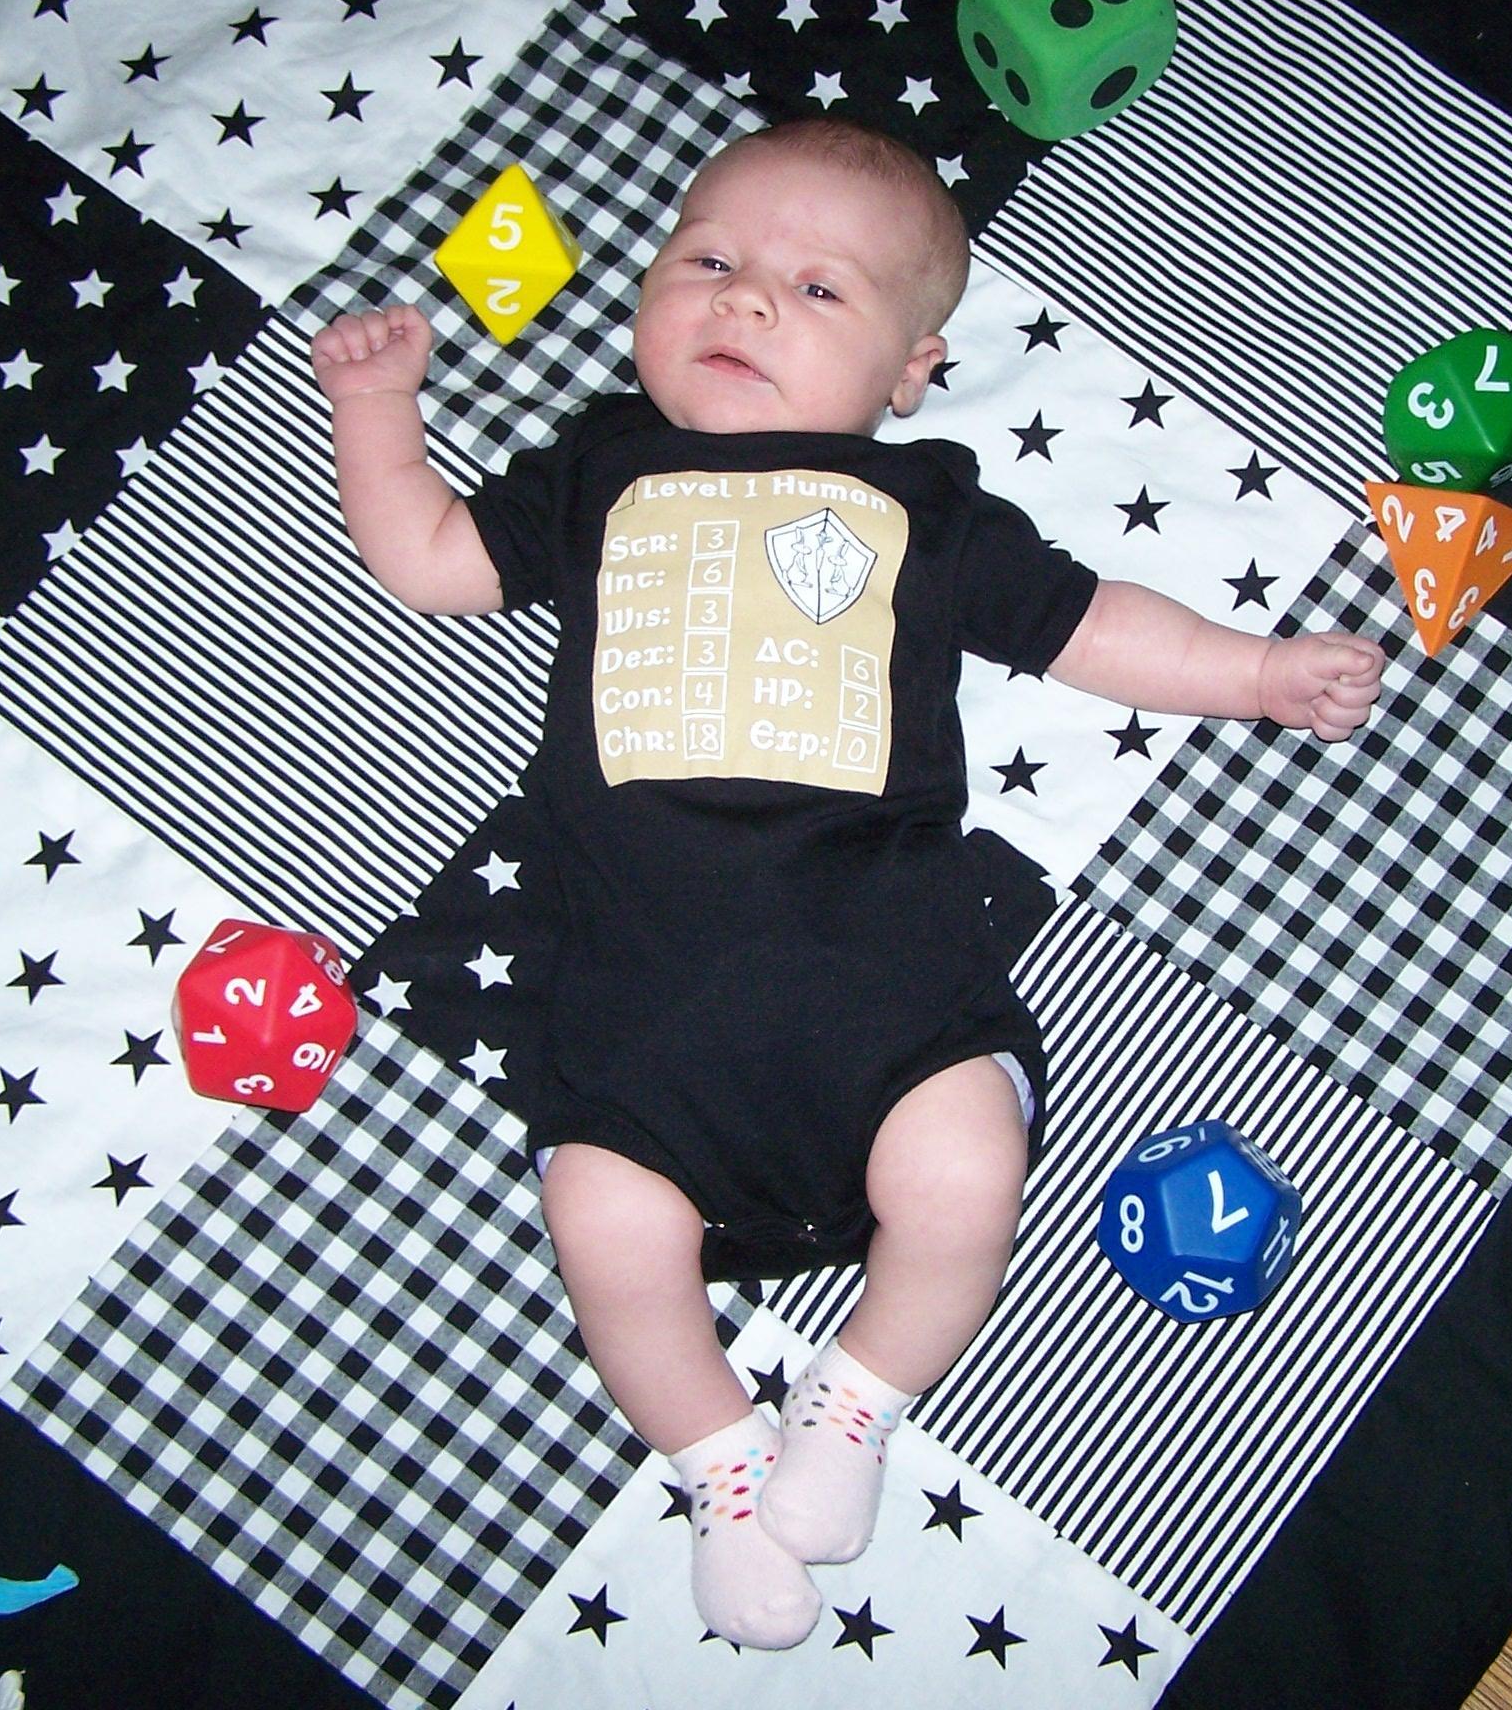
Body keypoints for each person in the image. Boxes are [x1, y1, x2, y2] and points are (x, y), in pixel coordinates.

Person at [311, 118, 1383, 1648]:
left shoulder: (918, 508)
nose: (747, 298)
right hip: (638, 1013)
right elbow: (425, 560)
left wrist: (1257, 675)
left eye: (819, 291)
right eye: (709, 261)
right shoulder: (602, 467)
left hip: (885, 985)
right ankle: (718, 1465)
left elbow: (1089, 626)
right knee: (604, 1226)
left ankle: (857, 1400)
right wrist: (375, 407)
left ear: (910, 372)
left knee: (965, 1174)